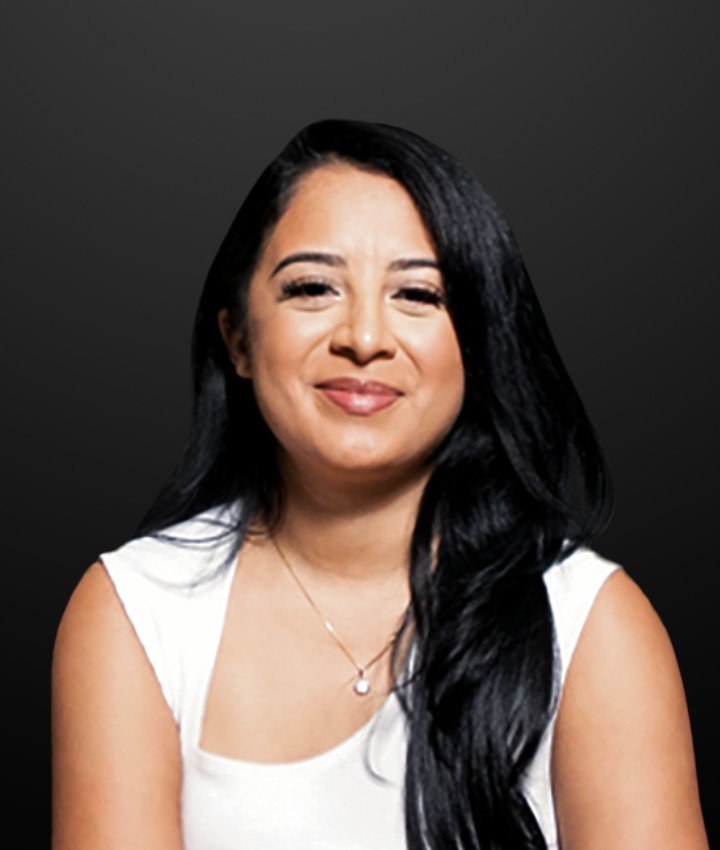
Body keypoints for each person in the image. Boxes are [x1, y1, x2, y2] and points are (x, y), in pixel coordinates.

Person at [51, 118, 709, 850]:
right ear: (237, 338)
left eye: (418, 294)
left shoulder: (589, 625)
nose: (364, 338)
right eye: (313, 287)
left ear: (477, 343)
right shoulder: (137, 611)